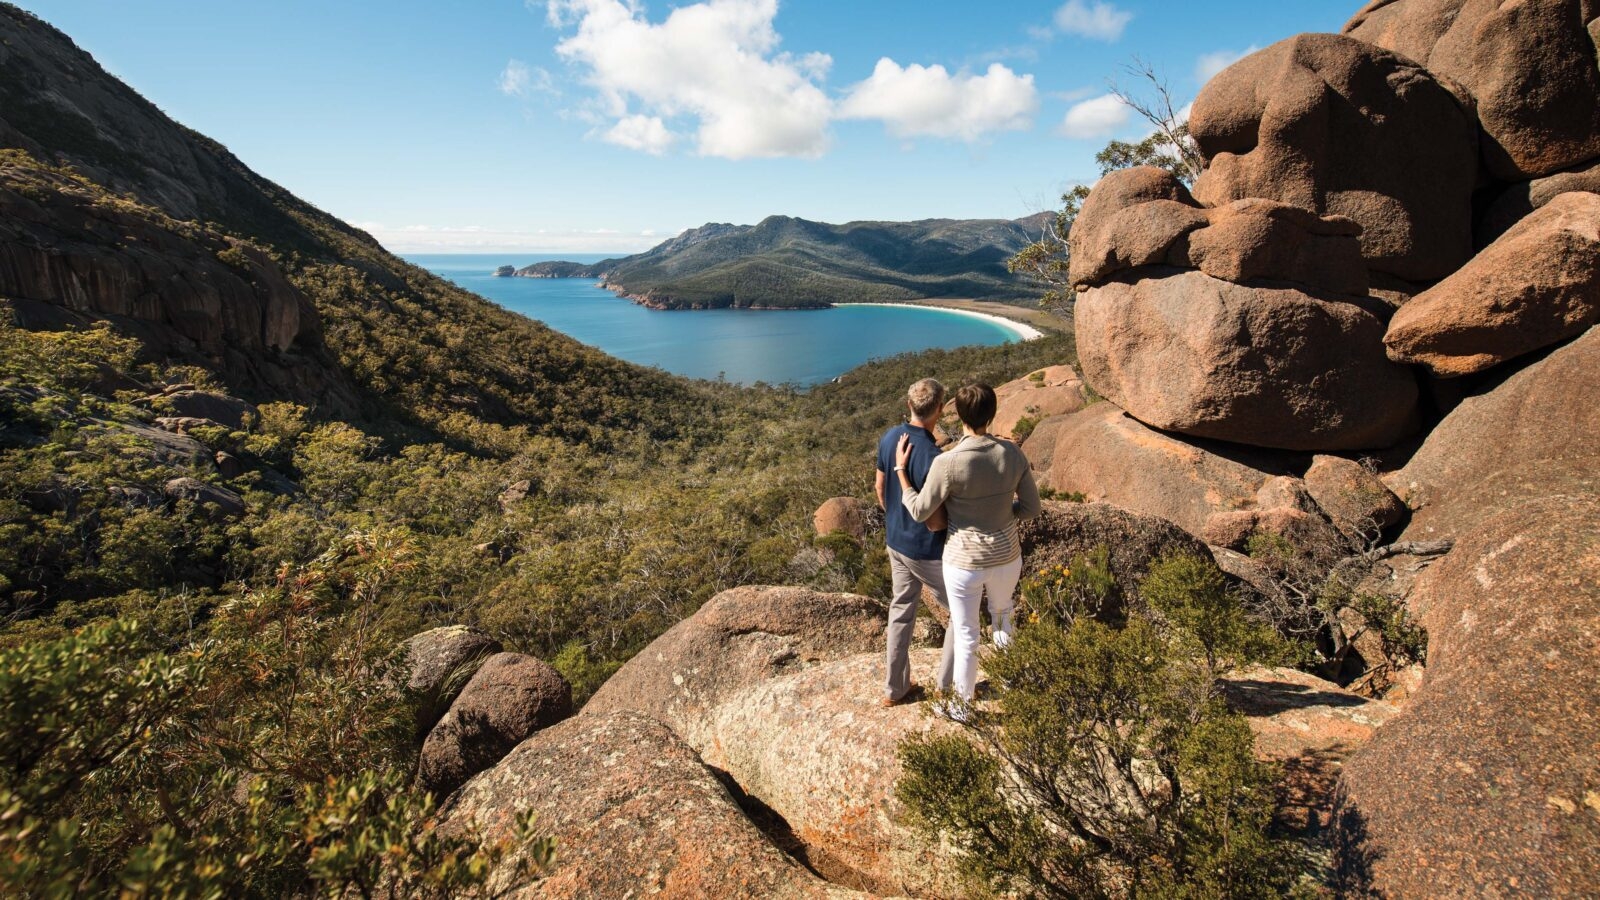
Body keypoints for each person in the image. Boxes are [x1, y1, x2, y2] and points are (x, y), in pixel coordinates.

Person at [894, 382, 1041, 709]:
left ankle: (961, 707)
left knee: (966, 633)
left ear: (958, 414)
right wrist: (1003, 512)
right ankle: (1010, 688)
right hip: (1006, 557)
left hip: (963, 561)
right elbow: (1031, 509)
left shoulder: (947, 463)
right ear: (992, 413)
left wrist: (902, 474)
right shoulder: (1013, 454)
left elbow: (919, 511)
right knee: (1003, 617)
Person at [875, 378, 956, 707]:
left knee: (901, 611)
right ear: (939, 408)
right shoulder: (934, 457)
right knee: (961, 616)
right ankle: (946, 688)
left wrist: (897, 517)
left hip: (896, 541)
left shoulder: (891, 437)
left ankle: (895, 689)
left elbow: (880, 488)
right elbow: (935, 520)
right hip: (927, 551)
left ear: (909, 406)